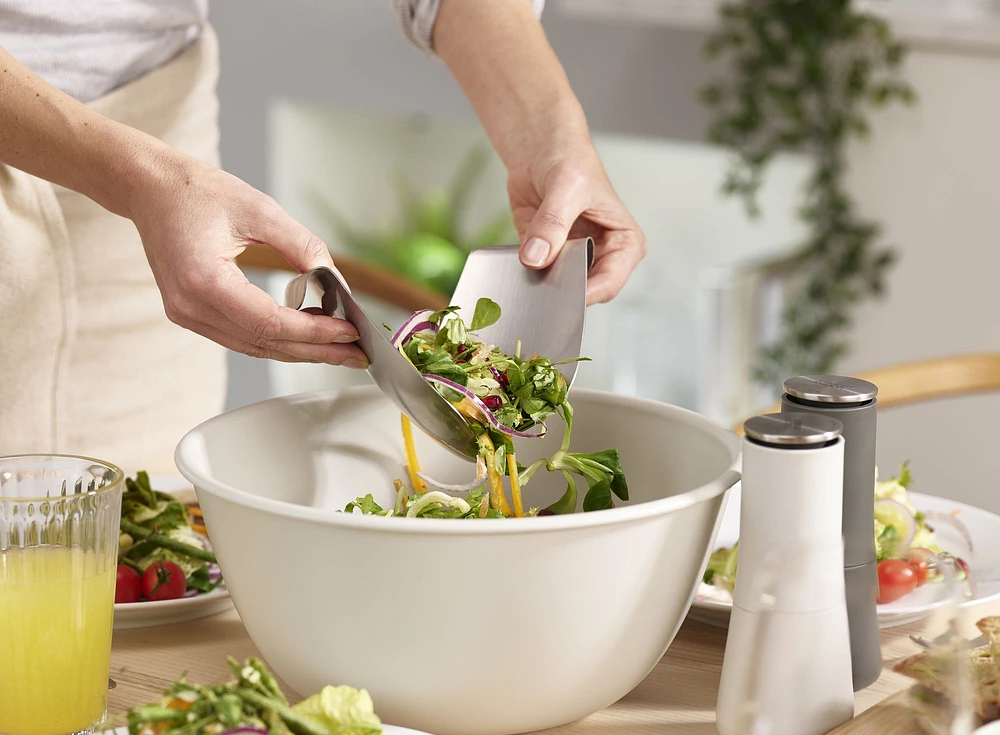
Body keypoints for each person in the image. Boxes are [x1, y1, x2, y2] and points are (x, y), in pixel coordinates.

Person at [0, 0, 644, 477]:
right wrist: (142, 181)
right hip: (100, 151)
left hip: (154, 112)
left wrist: (548, 136)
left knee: (140, 561)